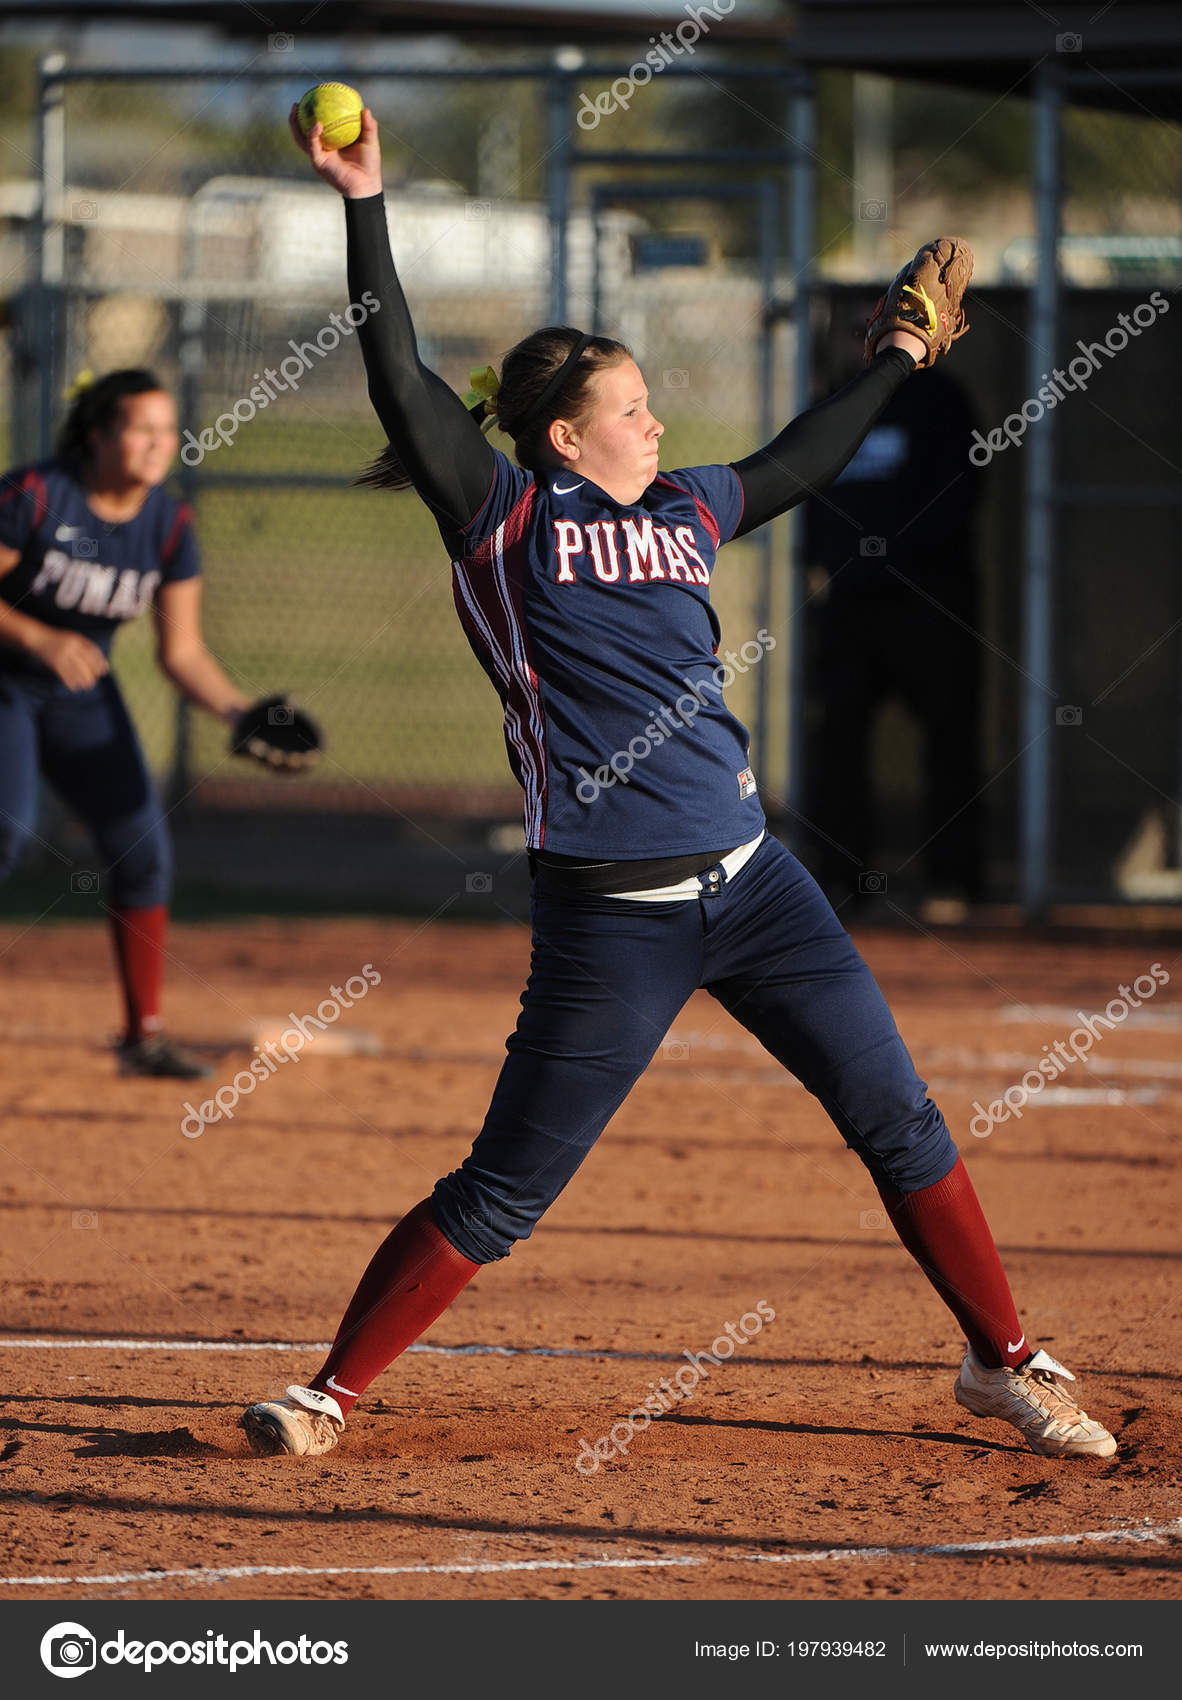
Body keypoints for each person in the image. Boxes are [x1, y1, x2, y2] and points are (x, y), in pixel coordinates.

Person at [240, 107, 1116, 1463]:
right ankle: (325, 1396)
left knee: (899, 1121)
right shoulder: (505, 521)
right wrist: (364, 199)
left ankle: (1000, 1360)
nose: (655, 423)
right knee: (505, 1191)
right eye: (630, 411)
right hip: (612, 917)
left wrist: (890, 355)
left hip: (759, 887)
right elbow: (401, 379)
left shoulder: (686, 508)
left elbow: (802, 456)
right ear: (560, 439)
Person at [0, 369, 253, 1077]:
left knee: (141, 854)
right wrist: (38, 637)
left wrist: (240, 711)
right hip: (6, 685)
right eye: (141, 428)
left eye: (167, 430)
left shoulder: (166, 524)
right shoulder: (36, 497)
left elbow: (183, 652)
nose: (158, 444)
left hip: (81, 698)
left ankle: (143, 1039)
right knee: (6, 832)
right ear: (98, 435)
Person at [802, 300, 984, 911]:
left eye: (877, 329)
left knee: (950, 738)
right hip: (852, 604)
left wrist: (892, 557)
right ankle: (848, 881)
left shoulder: (940, 402)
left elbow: (960, 494)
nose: (866, 342)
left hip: (930, 600)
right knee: (837, 737)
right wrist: (831, 567)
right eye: (857, 331)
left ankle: (954, 882)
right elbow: (809, 497)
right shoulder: (836, 401)